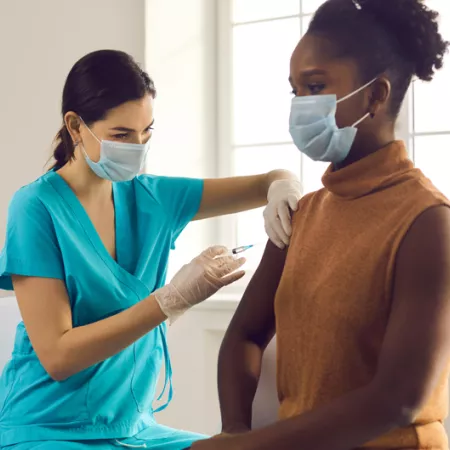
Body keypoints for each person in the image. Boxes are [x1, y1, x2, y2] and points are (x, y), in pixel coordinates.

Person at [0, 50, 303, 450]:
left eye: (147, 133)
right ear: (75, 126)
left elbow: (268, 180)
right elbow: (59, 357)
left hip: (135, 428)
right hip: (46, 427)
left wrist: (284, 187)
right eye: (122, 136)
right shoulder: (36, 208)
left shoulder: (154, 197)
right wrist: (169, 300)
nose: (138, 148)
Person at [194, 0, 450, 449]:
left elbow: (400, 399)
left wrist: (249, 447)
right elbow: (245, 335)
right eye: (295, 91)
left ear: (375, 96)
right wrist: (234, 428)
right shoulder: (303, 213)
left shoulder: (427, 223)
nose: (300, 107)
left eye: (315, 86)